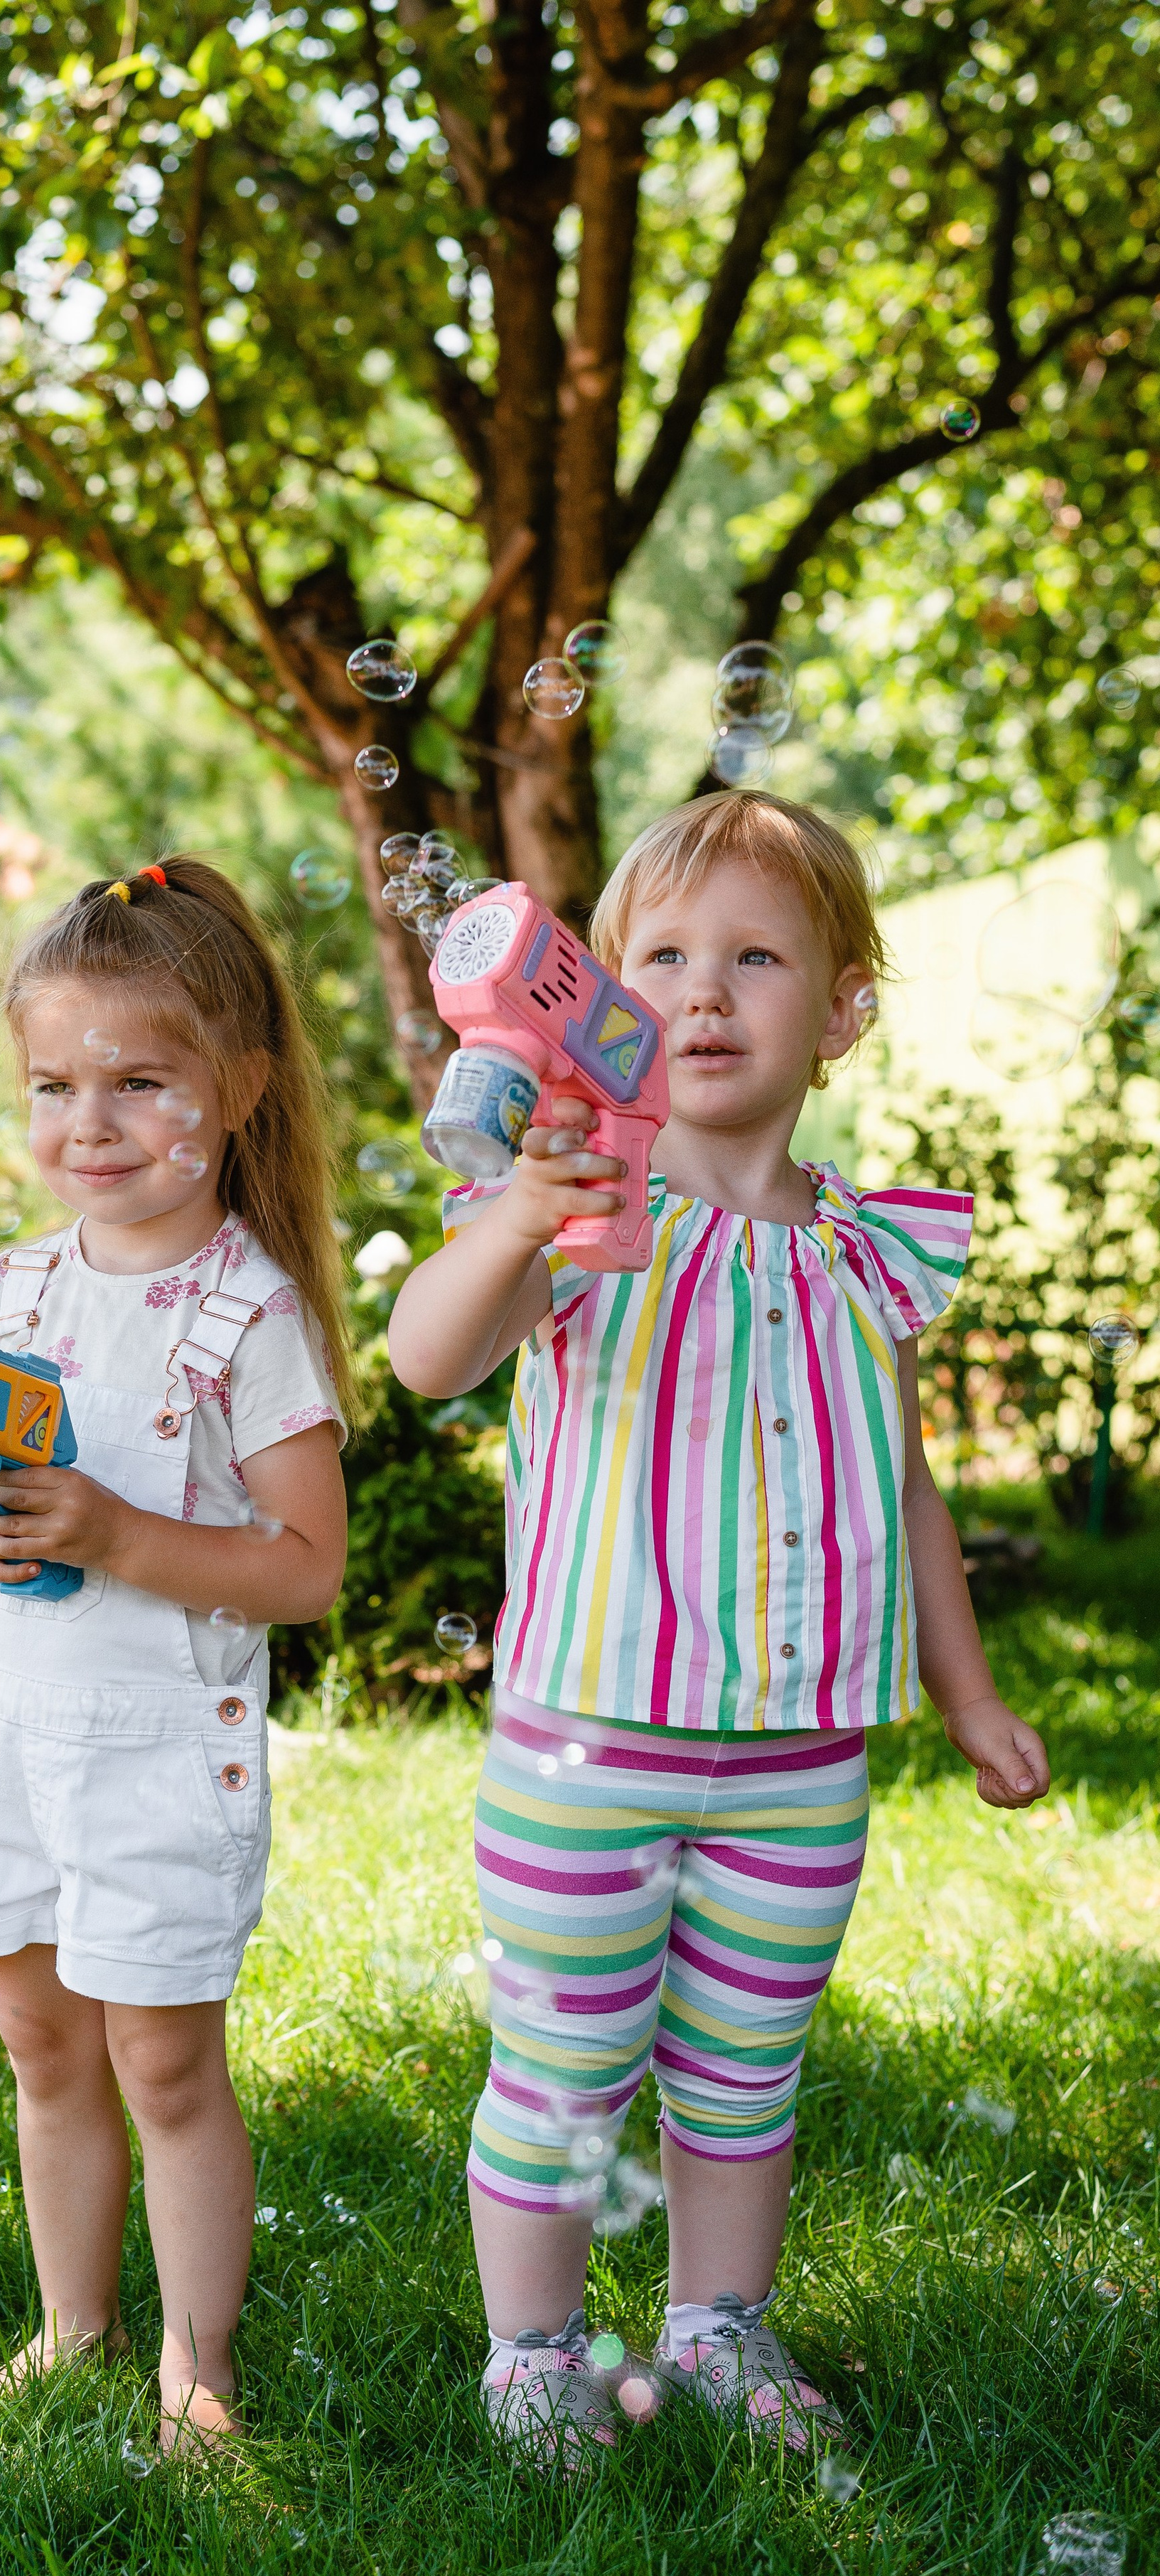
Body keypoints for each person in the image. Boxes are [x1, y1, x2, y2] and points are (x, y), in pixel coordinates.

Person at [387, 790, 1048, 2467]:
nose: (702, 990)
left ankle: (715, 2326)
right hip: (586, 1747)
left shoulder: (862, 1255)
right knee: (561, 2068)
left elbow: (897, 1492)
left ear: (837, 1011)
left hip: (800, 1762)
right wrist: (522, 1217)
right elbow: (422, 1356)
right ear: (603, 1000)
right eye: (661, 957)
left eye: (754, 956)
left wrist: (963, 1699)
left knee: (744, 2073)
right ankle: (530, 2353)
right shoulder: (580, 1205)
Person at [0, 856, 349, 2455]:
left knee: (161, 2060)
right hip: (15, 1739)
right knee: (39, 2037)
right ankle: (69, 2322)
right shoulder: (7, 1291)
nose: (86, 1122)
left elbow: (307, 1564)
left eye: (138, 1080)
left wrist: (111, 1533)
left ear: (233, 1090)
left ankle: (197, 2362)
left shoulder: (245, 1315)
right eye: (53, 1082)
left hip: (163, 1748)